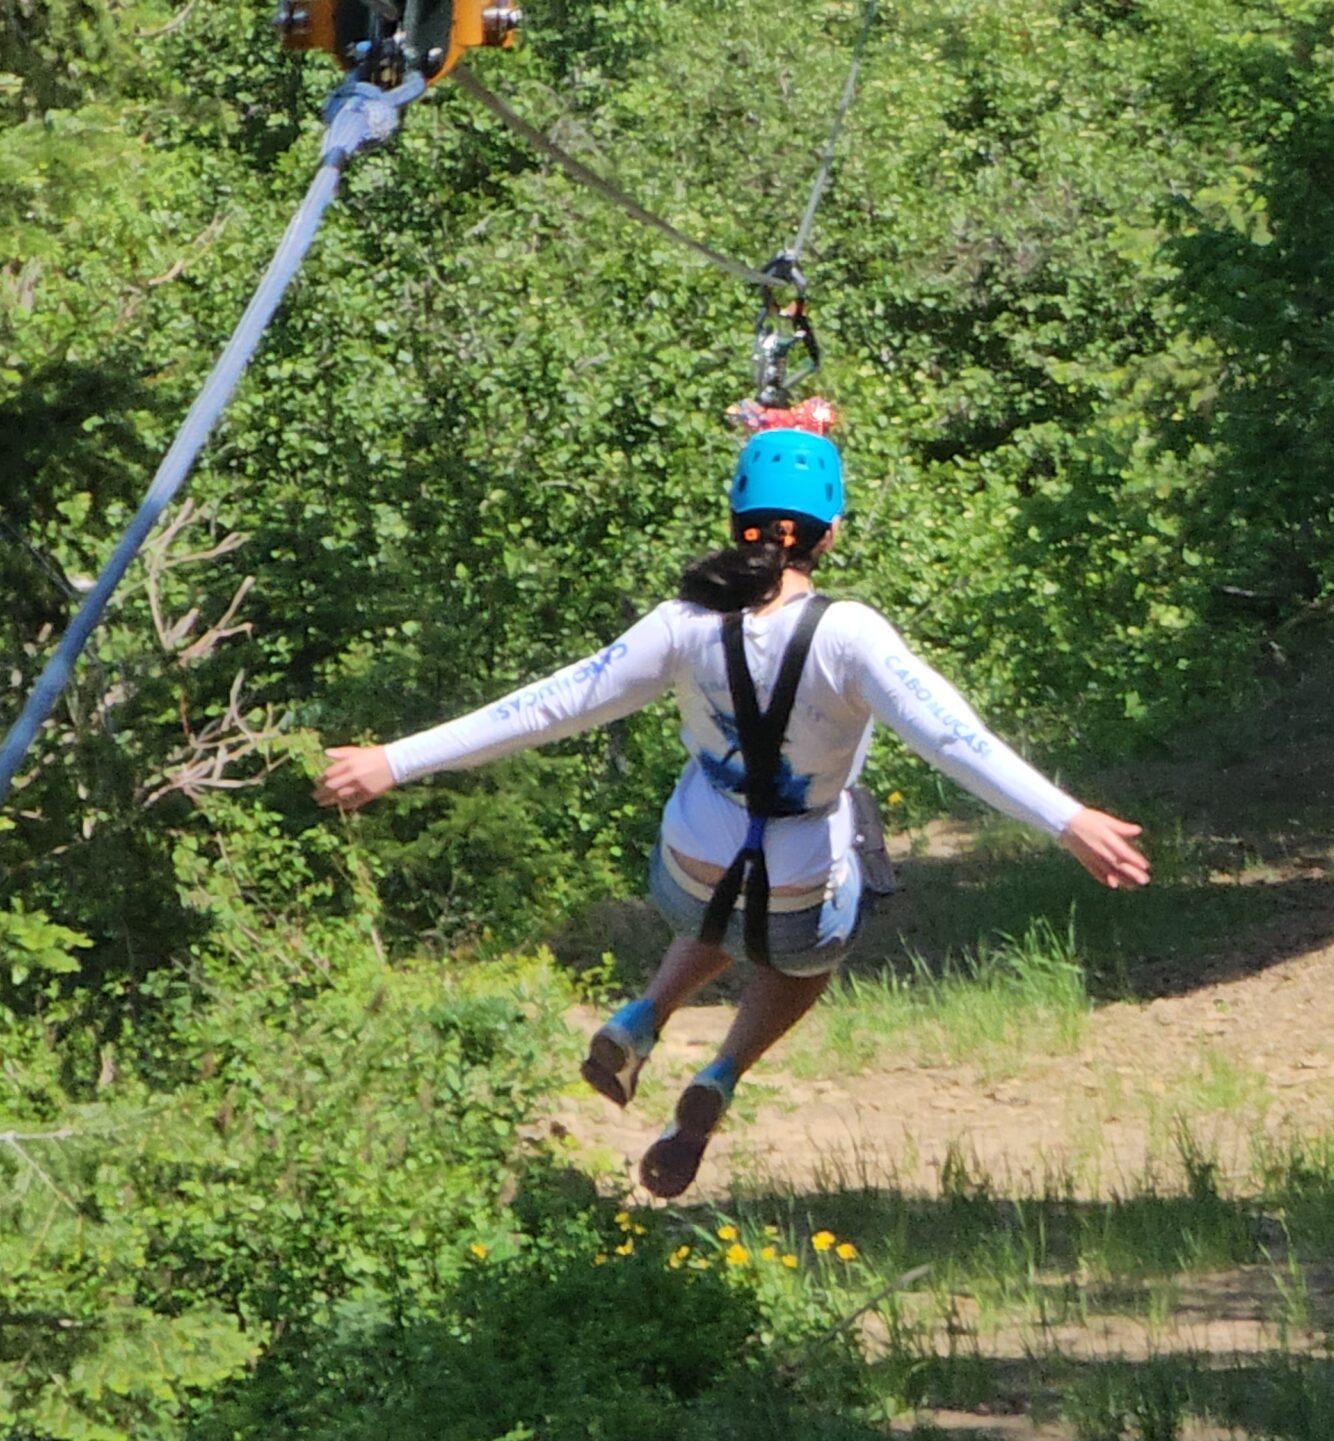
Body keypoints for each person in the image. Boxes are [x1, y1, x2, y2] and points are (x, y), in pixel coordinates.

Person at [312, 427, 1151, 1197]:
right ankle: (720, 1074)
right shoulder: (851, 634)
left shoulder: (683, 625)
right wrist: (1066, 818)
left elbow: (550, 705)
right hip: (798, 883)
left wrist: (394, 759)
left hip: (689, 867)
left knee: (726, 904)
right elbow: (954, 738)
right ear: (829, 535)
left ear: (736, 522)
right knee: (800, 948)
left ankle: (643, 1015)